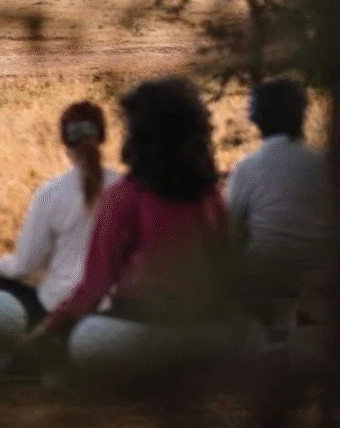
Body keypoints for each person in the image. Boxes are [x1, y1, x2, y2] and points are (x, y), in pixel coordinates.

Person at [26, 77, 248, 379]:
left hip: (140, 332)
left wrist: (44, 331)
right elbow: (230, 274)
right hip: (208, 334)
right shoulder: (210, 196)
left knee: (88, 338)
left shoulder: (125, 195)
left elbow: (92, 289)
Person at [0, 101, 121, 327]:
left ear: (64, 141)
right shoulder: (127, 190)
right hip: (113, 310)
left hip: (58, 309)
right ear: (103, 137)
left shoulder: (51, 193)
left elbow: (25, 265)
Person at [224, 78, 329, 328]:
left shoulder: (248, 167)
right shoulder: (325, 163)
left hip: (267, 274)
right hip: (321, 271)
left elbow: (230, 228)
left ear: (256, 119)